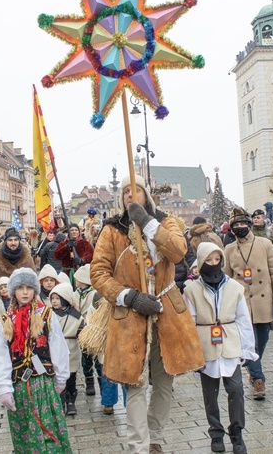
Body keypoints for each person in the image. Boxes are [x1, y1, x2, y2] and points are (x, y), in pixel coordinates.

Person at [90, 175, 204, 454]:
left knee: (165, 383)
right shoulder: (112, 230)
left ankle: (154, 437)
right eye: (126, 191)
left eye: (136, 190)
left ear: (146, 195)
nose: (131, 195)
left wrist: (147, 223)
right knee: (136, 384)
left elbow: (179, 253)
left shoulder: (167, 223)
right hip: (130, 316)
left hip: (168, 314)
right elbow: (98, 273)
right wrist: (129, 296)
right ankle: (138, 447)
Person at [184, 242, 257, 454]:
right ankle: (215, 433)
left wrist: (247, 349)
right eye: (208, 260)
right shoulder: (191, 290)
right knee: (210, 394)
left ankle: (237, 433)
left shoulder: (235, 287)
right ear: (200, 261)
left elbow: (243, 319)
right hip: (206, 345)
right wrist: (193, 354)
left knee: (235, 389)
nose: (213, 264)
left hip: (230, 342)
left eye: (217, 260)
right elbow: (189, 323)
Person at [0, 267, 71, 453]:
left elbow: (58, 346)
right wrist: (4, 387)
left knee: (48, 429)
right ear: (13, 292)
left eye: (29, 287)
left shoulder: (46, 315)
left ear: (35, 289)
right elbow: (0, 355)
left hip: (43, 384)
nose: (25, 292)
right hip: (19, 386)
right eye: (20, 288)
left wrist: (61, 377)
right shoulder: (6, 321)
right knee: (26, 432)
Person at [223, 207, 273, 401]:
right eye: (236, 225)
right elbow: (226, 278)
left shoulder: (265, 244)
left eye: (243, 223)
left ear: (249, 225)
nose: (240, 227)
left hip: (263, 300)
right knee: (249, 343)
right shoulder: (229, 249)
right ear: (232, 229)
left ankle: (252, 366)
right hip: (242, 303)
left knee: (262, 340)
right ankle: (259, 379)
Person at [50, 282, 85, 416]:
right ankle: (60, 402)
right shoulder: (49, 314)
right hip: (55, 350)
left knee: (71, 377)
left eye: (57, 298)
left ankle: (71, 400)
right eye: (52, 298)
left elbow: (82, 330)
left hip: (71, 350)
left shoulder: (76, 316)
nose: (54, 301)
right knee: (57, 377)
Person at [72, 264, 101, 396]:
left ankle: (100, 382)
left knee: (96, 356)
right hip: (80, 326)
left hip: (92, 327)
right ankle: (89, 381)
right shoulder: (76, 293)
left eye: (77, 278)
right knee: (85, 357)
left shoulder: (94, 293)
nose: (76, 280)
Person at [0, 228, 36, 295]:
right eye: (10, 240)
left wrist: (35, 297)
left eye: (16, 240)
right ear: (5, 241)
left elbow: (34, 279)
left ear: (19, 241)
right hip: (5, 298)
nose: (13, 243)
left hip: (23, 298)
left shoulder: (27, 258)